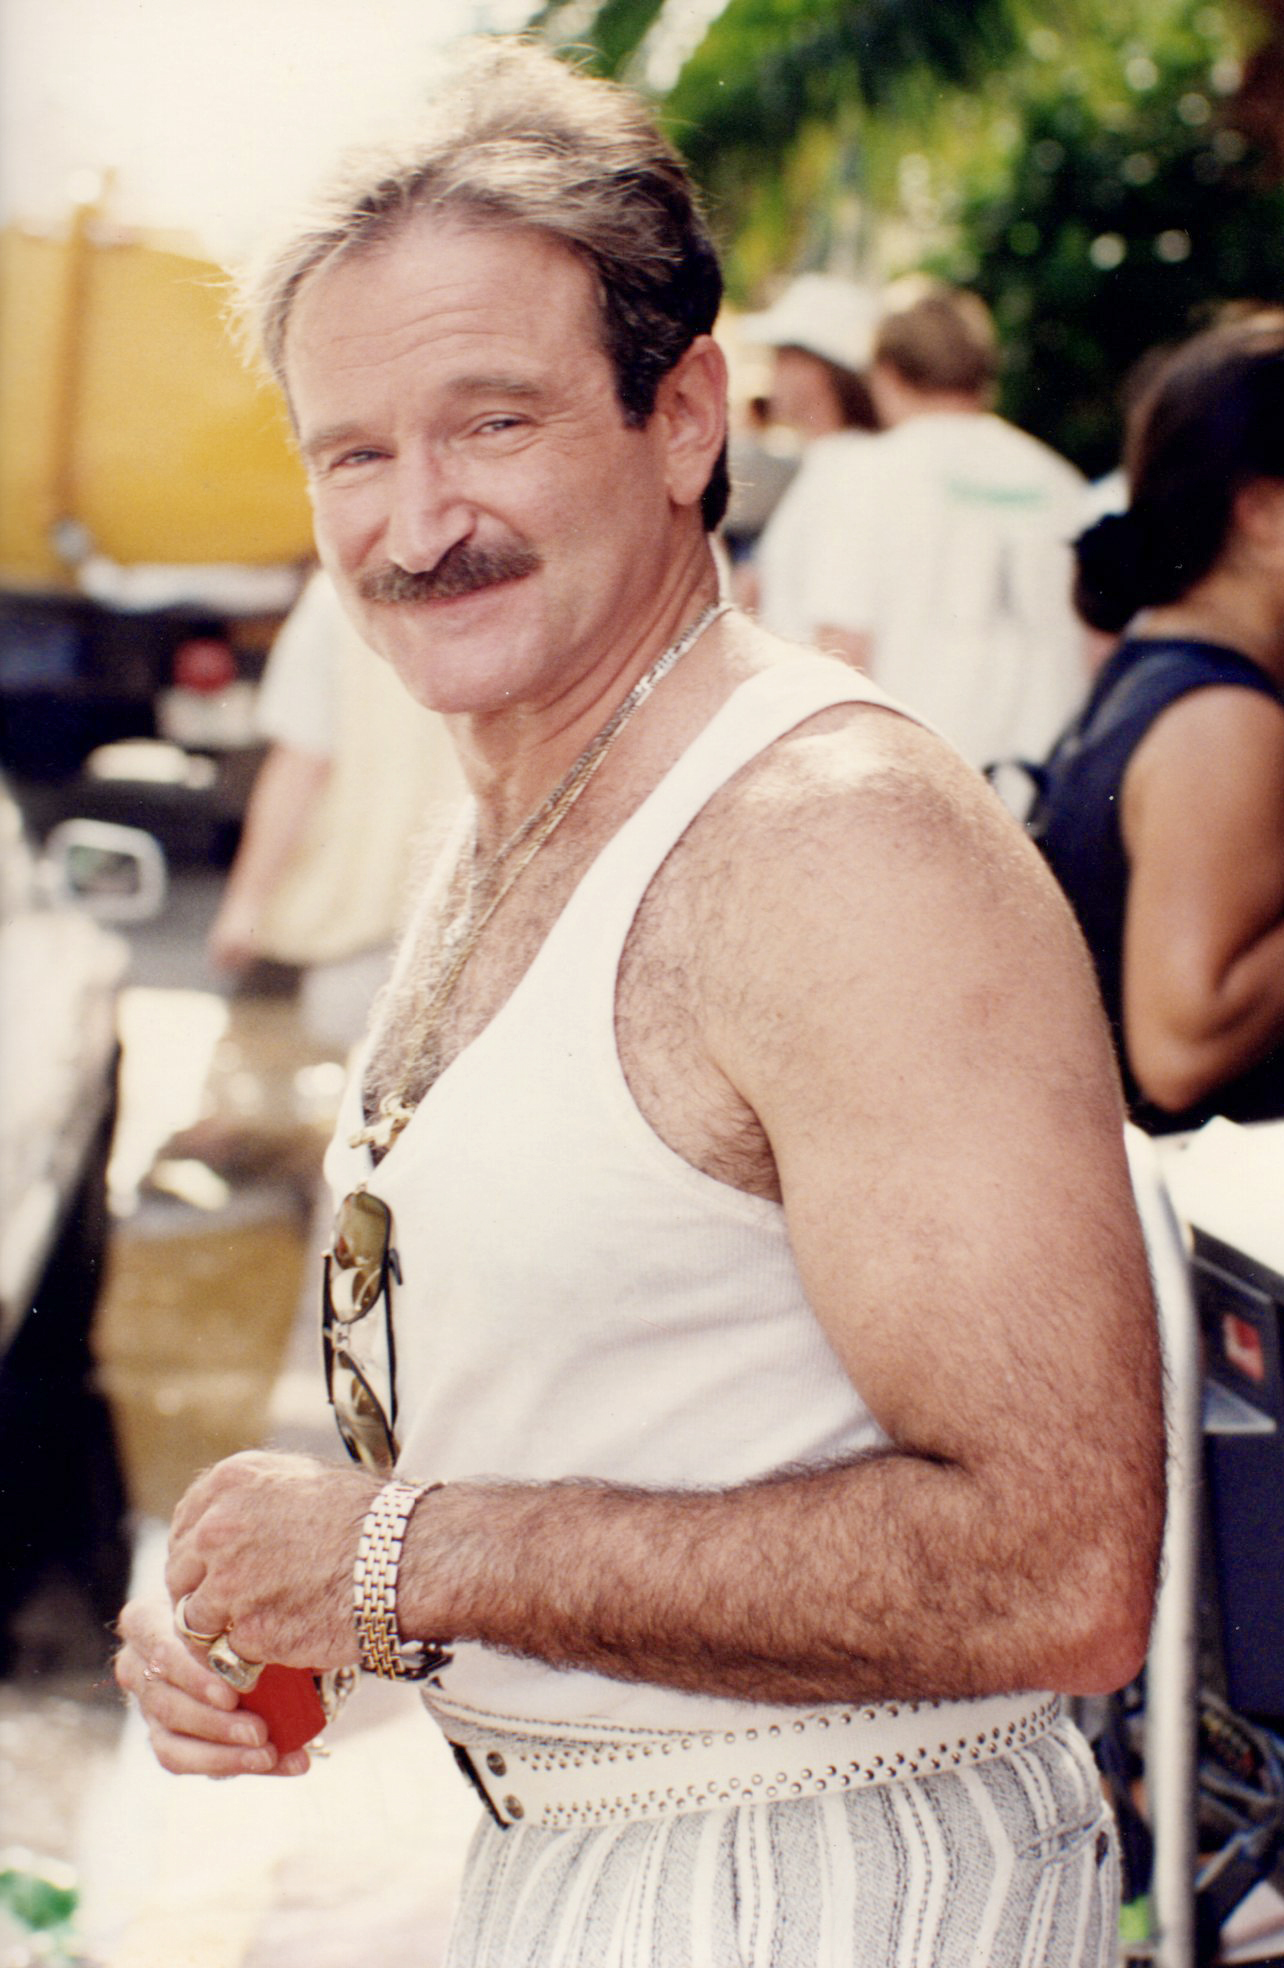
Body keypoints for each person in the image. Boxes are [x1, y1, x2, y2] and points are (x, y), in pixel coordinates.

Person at [115, 40, 1164, 1966]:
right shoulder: (531, 784)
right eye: (354, 449)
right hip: (608, 1865)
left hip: (834, 1887)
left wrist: (396, 1557)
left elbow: (1059, 1558)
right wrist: (293, 1594)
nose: (416, 520)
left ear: (682, 416)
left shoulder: (834, 840)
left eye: (491, 424)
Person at [1038, 312, 1284, 1133]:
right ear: (1259, 509)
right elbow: (1180, 1051)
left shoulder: (1158, 676)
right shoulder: (1222, 723)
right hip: (1228, 1245)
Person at [803, 282, 1091, 771]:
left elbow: (841, 655)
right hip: (1045, 792)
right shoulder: (1060, 483)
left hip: (918, 788)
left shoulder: (864, 475)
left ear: (887, 374)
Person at [208, 567, 460, 1051]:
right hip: (478, 909)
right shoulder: (511, 589)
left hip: (366, 922)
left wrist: (246, 904)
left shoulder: (338, 598)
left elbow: (300, 764)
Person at [735, 272, 882, 640]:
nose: (772, 372)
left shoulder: (855, 471)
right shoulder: (828, 463)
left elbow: (839, 631)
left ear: (818, 370)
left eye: (783, 358)